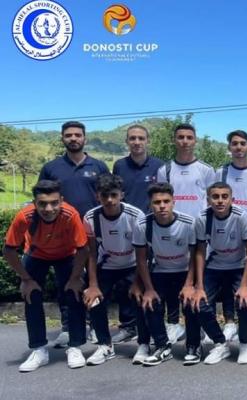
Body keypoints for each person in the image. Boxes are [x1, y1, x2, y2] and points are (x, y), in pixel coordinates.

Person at [3, 180, 88, 372]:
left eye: (54, 203)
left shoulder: (70, 214)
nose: (48, 209)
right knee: (31, 295)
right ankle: (39, 349)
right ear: (34, 203)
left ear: (61, 201)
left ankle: (74, 347)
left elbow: (83, 250)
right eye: (42, 204)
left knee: (74, 293)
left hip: (66, 254)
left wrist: (75, 278)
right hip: (37, 254)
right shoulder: (24, 216)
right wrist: (26, 279)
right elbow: (8, 251)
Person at [38, 121, 109, 348]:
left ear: (84, 138)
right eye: (69, 135)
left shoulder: (98, 166)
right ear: (62, 138)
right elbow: (42, 200)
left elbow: (109, 194)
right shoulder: (51, 168)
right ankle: (69, 327)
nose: (73, 138)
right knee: (67, 282)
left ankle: (96, 326)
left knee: (95, 280)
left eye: (78, 135)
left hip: (94, 233)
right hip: (65, 236)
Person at [192, 182, 247, 365]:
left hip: (238, 266)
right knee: (198, 303)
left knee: (246, 300)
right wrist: (198, 286)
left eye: (224, 196)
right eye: (215, 197)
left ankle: (244, 345)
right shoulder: (202, 218)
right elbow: (200, 251)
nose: (220, 201)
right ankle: (220, 344)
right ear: (208, 200)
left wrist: (244, 285)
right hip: (215, 266)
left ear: (232, 199)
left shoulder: (241, 217)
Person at [156, 123, 215, 344]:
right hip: (172, 230)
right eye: (180, 137)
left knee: (199, 279)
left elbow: (211, 201)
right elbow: (160, 198)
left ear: (195, 140)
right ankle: (174, 324)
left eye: (189, 137)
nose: (184, 141)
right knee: (174, 280)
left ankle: (201, 325)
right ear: (174, 140)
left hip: (198, 231)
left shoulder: (206, 170)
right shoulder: (165, 170)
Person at [131, 183, 200, 366]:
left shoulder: (188, 223)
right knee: (150, 302)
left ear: (173, 202)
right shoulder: (142, 225)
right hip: (160, 271)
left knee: (191, 303)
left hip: (184, 272)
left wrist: (189, 285)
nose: (162, 206)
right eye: (157, 202)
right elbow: (141, 259)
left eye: (166, 201)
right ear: (150, 204)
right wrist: (148, 289)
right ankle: (162, 346)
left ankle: (193, 346)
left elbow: (195, 256)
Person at [82, 175, 145, 366]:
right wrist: (93, 285)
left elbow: (143, 253)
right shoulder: (90, 217)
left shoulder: (136, 215)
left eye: (113, 195)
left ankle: (144, 344)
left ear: (121, 195)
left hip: (132, 265)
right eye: (104, 195)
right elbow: (91, 253)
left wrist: (138, 282)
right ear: (97, 196)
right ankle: (105, 345)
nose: (109, 200)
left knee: (141, 300)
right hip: (107, 266)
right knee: (94, 300)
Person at [212, 130, 247, 343]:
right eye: (234, 143)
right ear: (229, 147)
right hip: (225, 232)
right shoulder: (221, 172)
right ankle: (229, 323)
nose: (238, 147)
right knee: (227, 281)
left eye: (242, 143)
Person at [111, 124, 164, 344]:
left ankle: (154, 323)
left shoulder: (159, 166)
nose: (137, 142)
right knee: (127, 279)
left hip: (152, 228)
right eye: (132, 138)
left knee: (151, 276)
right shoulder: (119, 165)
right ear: (127, 142)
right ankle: (128, 325)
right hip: (126, 228)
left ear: (147, 141)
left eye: (141, 138)